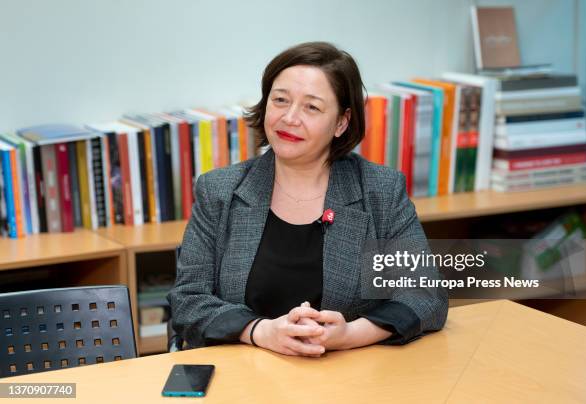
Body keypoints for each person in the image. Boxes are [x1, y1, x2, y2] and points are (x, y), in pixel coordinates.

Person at [167, 41, 448, 357]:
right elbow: (189, 300)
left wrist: (349, 334)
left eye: (311, 107)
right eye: (280, 100)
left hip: (348, 377)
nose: (289, 118)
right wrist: (260, 331)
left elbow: (426, 294)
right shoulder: (219, 191)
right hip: (243, 377)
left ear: (341, 122)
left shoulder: (380, 191)